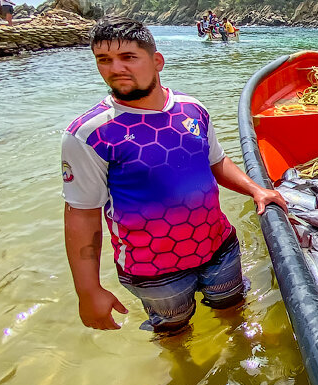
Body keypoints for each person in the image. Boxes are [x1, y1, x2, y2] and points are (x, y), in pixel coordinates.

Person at [61, 16, 288, 333]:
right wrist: (88, 291)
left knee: (234, 313)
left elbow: (216, 161)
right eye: (104, 60)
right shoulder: (89, 134)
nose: (116, 69)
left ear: (157, 61)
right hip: (154, 271)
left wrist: (256, 190)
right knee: (173, 333)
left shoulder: (191, 109)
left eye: (128, 57)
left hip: (219, 249)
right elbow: (81, 215)